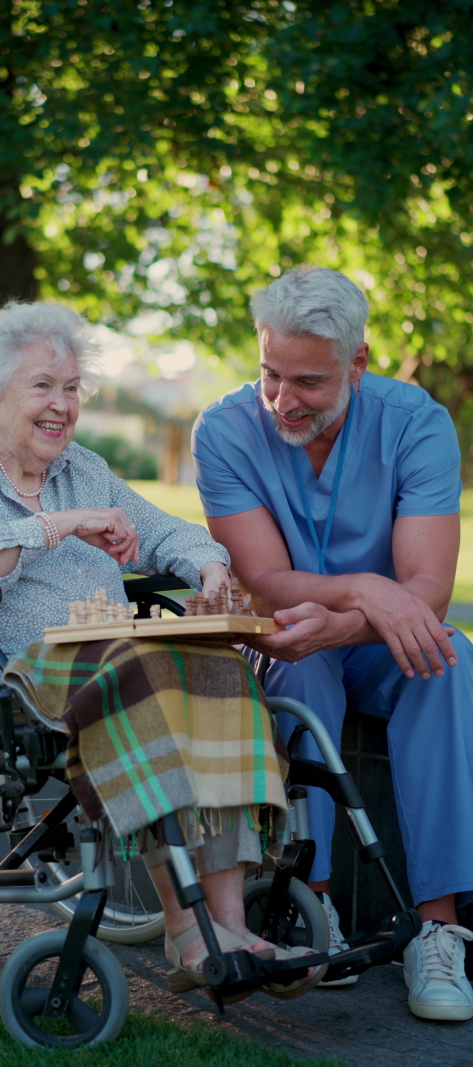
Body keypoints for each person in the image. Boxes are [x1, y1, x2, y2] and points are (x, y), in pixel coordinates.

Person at [0, 299, 323, 999]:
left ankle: (228, 921)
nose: (62, 405)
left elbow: (167, 531)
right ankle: (187, 928)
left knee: (219, 666)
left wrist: (210, 569)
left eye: (71, 389)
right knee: (145, 672)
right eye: (43, 387)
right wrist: (56, 526)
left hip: (111, 653)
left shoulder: (82, 466)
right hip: (11, 663)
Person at [192, 265, 473, 1021]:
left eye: (308, 381)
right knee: (301, 650)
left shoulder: (417, 423)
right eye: (270, 374)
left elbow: (426, 589)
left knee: (449, 658)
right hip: (285, 636)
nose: (283, 400)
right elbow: (262, 578)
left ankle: (439, 930)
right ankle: (314, 911)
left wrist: (360, 611)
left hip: (385, 644)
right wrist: (362, 589)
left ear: (358, 362)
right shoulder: (223, 430)